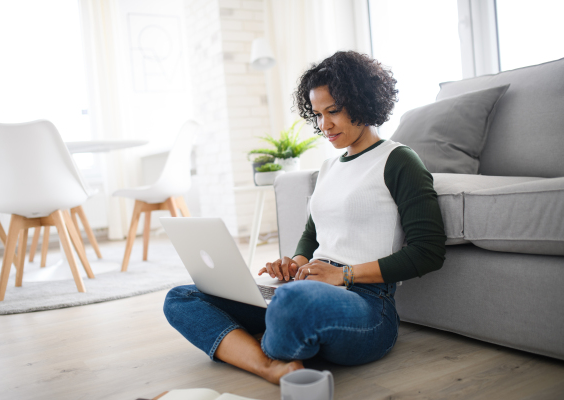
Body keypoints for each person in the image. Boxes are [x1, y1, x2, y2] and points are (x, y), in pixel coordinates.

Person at [164, 50, 446, 384]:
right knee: (181, 297)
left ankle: (245, 341)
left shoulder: (399, 160)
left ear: (362, 102)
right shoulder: (328, 168)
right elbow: (314, 234)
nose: (324, 125)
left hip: (368, 304)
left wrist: (344, 276)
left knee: (292, 300)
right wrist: (295, 261)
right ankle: (270, 363)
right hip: (306, 286)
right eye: (317, 114)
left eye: (334, 111)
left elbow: (429, 251)